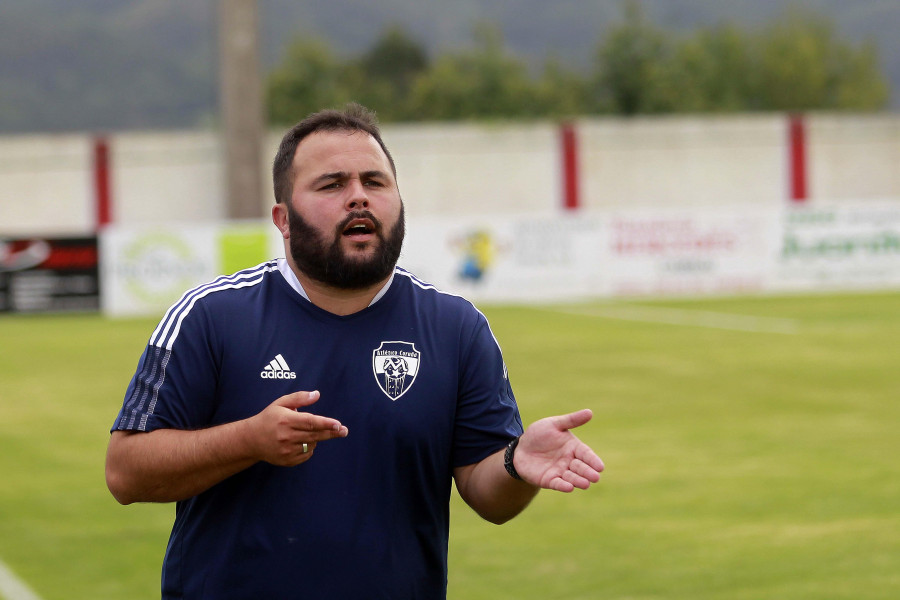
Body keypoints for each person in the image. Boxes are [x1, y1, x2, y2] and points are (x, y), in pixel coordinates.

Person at [105, 103, 604, 599]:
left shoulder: (456, 328)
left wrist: (517, 463)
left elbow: (485, 490)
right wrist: (248, 440)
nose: (359, 198)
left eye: (375, 181)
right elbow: (125, 472)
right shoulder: (211, 317)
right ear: (283, 218)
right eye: (332, 184)